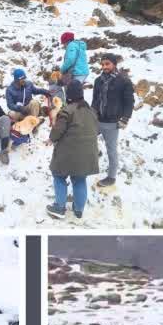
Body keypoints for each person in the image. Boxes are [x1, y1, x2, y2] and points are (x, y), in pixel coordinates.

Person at [48, 80, 99, 220]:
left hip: (68, 153)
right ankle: (78, 210)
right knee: (79, 179)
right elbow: (97, 129)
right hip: (88, 154)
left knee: (58, 175)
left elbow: (57, 131)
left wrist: (51, 139)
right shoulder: (91, 111)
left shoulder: (67, 110)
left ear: (69, 94)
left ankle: (59, 207)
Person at [90, 53, 134, 188]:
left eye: (107, 64)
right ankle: (95, 155)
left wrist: (125, 118)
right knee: (87, 138)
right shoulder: (98, 80)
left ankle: (111, 177)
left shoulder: (124, 81)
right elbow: (95, 99)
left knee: (111, 150)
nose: (104, 67)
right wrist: (92, 113)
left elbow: (129, 102)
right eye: (102, 64)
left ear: (114, 64)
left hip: (112, 123)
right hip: (97, 120)